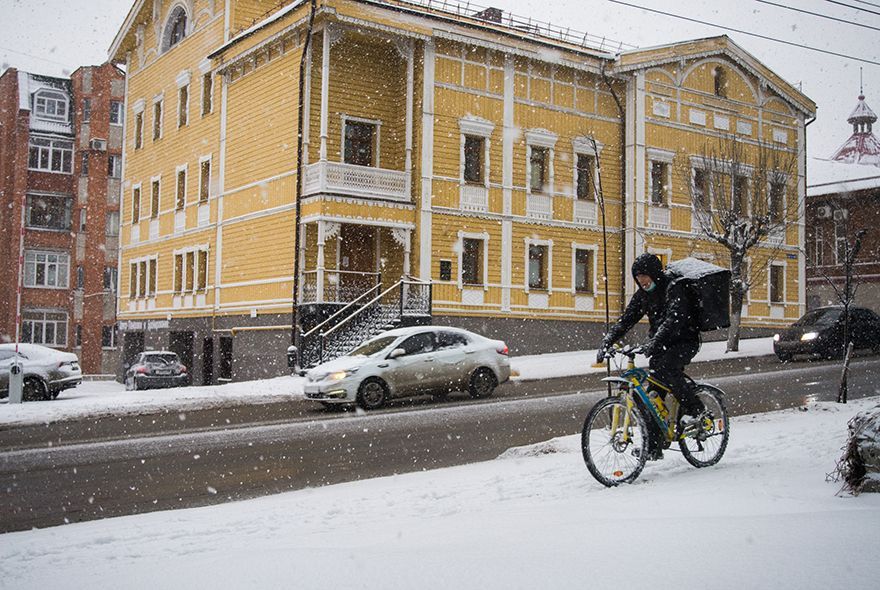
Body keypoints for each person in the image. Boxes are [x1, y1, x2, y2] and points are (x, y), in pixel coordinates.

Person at [597, 253, 706, 455]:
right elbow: (626, 320)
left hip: (684, 341)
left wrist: (654, 341)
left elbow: (674, 319)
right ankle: (654, 447)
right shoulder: (643, 295)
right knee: (652, 397)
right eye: (638, 277)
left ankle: (695, 410)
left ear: (654, 273)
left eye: (645, 276)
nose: (642, 281)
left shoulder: (674, 288)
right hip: (660, 345)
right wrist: (607, 341)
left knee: (667, 368)